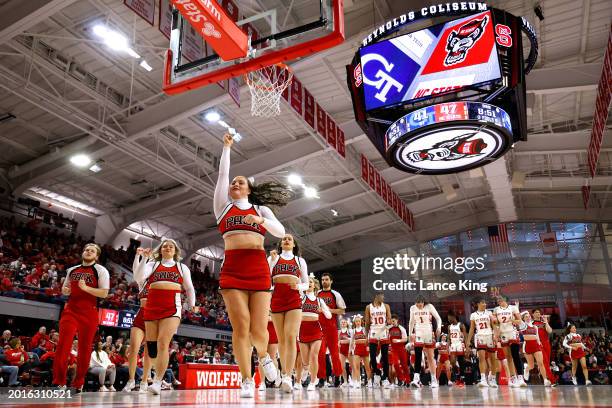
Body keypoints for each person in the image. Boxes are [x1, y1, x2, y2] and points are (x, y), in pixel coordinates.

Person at [214, 133, 288, 398]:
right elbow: (222, 176)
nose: (234, 183)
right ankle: (246, 379)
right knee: (240, 326)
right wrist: (226, 147)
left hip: (257, 268)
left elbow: (280, 232)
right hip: (232, 269)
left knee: (259, 330)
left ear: (248, 189)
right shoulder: (223, 207)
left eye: (240, 182)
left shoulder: (260, 210)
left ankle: (265, 358)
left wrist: (260, 222)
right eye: (234, 182)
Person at [132, 239, 196, 395]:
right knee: (152, 348)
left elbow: (189, 288)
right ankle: (154, 374)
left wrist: (192, 304)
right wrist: (145, 258)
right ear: (160, 250)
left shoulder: (182, 267)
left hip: (172, 307)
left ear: (175, 251)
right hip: (152, 306)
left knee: (163, 343)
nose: (167, 248)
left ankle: (158, 381)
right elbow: (138, 278)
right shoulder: (152, 265)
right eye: (165, 246)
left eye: (171, 246)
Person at [52, 243, 110, 392]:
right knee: (63, 345)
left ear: (96, 256)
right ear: (83, 253)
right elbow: (66, 290)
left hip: (89, 312)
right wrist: (65, 290)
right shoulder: (72, 270)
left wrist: (86, 288)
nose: (88, 251)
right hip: (71, 310)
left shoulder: (101, 270)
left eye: (92, 250)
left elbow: (104, 293)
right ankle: (60, 381)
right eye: (86, 250)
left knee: (84, 349)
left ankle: (78, 382)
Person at [269, 235, 309, 393]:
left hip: (293, 300)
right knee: (282, 340)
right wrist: (271, 261)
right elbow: (266, 278)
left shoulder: (300, 261)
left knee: (291, 336)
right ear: (280, 243)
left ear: (293, 244)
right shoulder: (273, 258)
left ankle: (287, 377)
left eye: (289, 239)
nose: (286, 240)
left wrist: (298, 287)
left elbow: (306, 283)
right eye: (284, 239)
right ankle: (284, 372)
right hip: (277, 299)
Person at [123, 258, 154, 393]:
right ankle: (131, 381)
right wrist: (139, 256)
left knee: (148, 352)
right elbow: (137, 271)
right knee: (134, 349)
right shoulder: (143, 281)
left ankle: (144, 381)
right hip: (141, 315)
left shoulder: (163, 283)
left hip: (154, 317)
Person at [299, 276, 331, 391]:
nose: (309, 284)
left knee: (314, 356)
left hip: (316, 330)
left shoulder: (319, 300)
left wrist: (323, 311)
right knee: (305, 361)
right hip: (302, 330)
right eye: (307, 282)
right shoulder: (301, 297)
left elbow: (329, 316)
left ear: (314, 285)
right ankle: (306, 369)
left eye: (311, 282)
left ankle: (313, 381)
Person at [316, 272, 346, 387]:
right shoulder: (317, 294)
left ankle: (337, 377)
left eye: (326, 279)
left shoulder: (335, 294)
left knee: (334, 354)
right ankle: (321, 379)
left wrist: (328, 310)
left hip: (332, 328)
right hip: (319, 328)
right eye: (322, 280)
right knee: (320, 354)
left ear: (331, 281)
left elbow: (342, 310)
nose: (324, 281)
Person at [408, 295, 442, 388]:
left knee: (430, 357)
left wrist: (438, 327)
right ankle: (416, 379)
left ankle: (434, 379)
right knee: (418, 355)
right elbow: (411, 322)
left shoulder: (429, 306)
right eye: (417, 303)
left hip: (428, 333)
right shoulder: (412, 308)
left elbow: (438, 318)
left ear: (424, 302)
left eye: (421, 302)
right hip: (418, 333)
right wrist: (410, 334)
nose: (419, 304)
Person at [493, 296, 526, 387]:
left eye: (500, 299)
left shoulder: (513, 308)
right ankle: (513, 378)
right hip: (503, 333)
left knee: (515, 354)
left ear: (505, 300)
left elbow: (519, 321)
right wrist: (496, 330)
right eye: (498, 300)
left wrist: (513, 320)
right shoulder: (496, 310)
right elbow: (495, 323)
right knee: (508, 357)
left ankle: (520, 377)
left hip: (512, 332)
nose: (499, 301)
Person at [466, 298, 498, 388]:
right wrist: (468, 341)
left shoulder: (489, 313)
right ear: (478, 304)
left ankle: (492, 378)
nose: (485, 304)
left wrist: (495, 335)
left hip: (490, 336)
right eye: (483, 303)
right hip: (480, 336)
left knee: (493, 359)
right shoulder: (473, 315)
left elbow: (494, 325)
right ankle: (483, 379)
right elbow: (472, 328)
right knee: (481, 358)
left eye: (485, 302)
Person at [519, 311, 553, 386]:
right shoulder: (522, 325)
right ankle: (527, 368)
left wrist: (539, 344)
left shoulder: (535, 326)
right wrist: (525, 312)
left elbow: (537, 337)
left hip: (536, 346)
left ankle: (545, 380)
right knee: (532, 366)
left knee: (540, 363)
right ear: (523, 318)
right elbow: (518, 316)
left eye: (529, 316)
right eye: (526, 317)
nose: (528, 318)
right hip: (527, 346)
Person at [365, 293, 392, 388]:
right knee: (372, 357)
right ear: (376, 296)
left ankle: (385, 379)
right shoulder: (368, 307)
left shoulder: (386, 306)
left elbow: (389, 320)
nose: (383, 297)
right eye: (382, 296)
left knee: (385, 357)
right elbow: (367, 322)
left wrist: (389, 322)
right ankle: (377, 373)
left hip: (383, 331)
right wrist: (365, 335)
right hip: (373, 332)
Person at [257, 314, 280, 392]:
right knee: (261, 357)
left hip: (273, 329)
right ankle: (262, 382)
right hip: (261, 329)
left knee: (272, 357)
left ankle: (276, 378)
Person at [532, 309, 554, 384]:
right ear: (533, 314)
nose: (538, 313)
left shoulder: (543, 323)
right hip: (538, 344)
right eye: (536, 312)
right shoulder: (532, 323)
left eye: (539, 312)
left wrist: (546, 321)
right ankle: (552, 380)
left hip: (546, 343)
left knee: (547, 362)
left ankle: (545, 378)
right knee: (545, 362)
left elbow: (550, 331)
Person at [349, 314, 370, 389]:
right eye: (356, 321)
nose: (358, 322)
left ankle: (369, 381)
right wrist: (350, 350)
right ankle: (358, 382)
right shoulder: (353, 331)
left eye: (359, 321)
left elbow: (368, 339)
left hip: (364, 349)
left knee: (367, 367)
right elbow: (351, 341)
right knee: (356, 366)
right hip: (357, 349)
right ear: (354, 322)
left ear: (361, 321)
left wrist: (368, 348)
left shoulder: (365, 329)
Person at [388, 314, 409, 387]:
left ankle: (407, 380)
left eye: (393, 321)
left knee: (404, 365)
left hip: (401, 349)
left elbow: (406, 339)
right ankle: (401, 379)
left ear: (397, 320)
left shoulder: (402, 328)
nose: (392, 322)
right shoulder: (389, 329)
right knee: (396, 364)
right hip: (394, 350)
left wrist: (397, 340)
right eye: (391, 321)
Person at [447, 311, 467, 385]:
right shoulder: (449, 326)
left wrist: (467, 346)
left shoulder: (461, 325)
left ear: (453, 317)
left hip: (459, 343)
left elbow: (465, 335)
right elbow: (449, 337)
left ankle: (462, 377)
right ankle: (458, 372)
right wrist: (447, 345)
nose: (448, 319)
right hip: (453, 344)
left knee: (461, 361)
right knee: (452, 362)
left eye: (449, 317)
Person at [338, 318, 353, 388]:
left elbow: (353, 340)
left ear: (347, 324)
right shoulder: (339, 332)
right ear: (340, 324)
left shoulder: (350, 331)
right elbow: (338, 341)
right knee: (342, 367)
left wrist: (348, 340)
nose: (343, 323)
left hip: (349, 350)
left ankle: (354, 380)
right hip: (342, 351)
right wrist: (338, 343)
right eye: (342, 322)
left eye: (344, 322)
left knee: (353, 366)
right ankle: (345, 381)